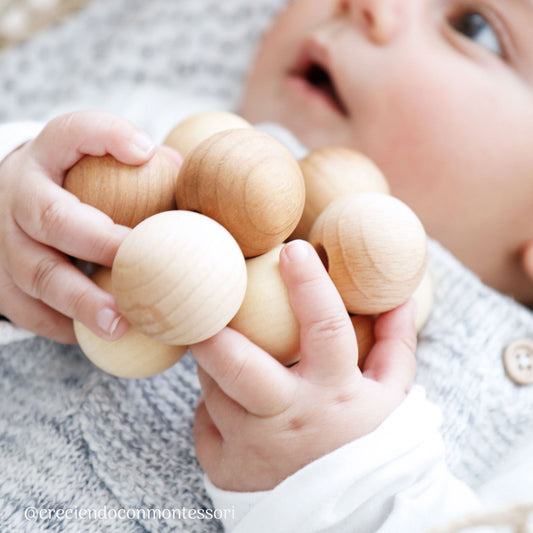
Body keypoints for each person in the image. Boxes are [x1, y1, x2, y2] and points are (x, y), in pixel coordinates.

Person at [0, 0, 532, 532]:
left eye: (474, 27)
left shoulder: (520, 452)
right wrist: (19, 208)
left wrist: (353, 490)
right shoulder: (144, 139)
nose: (372, 6)